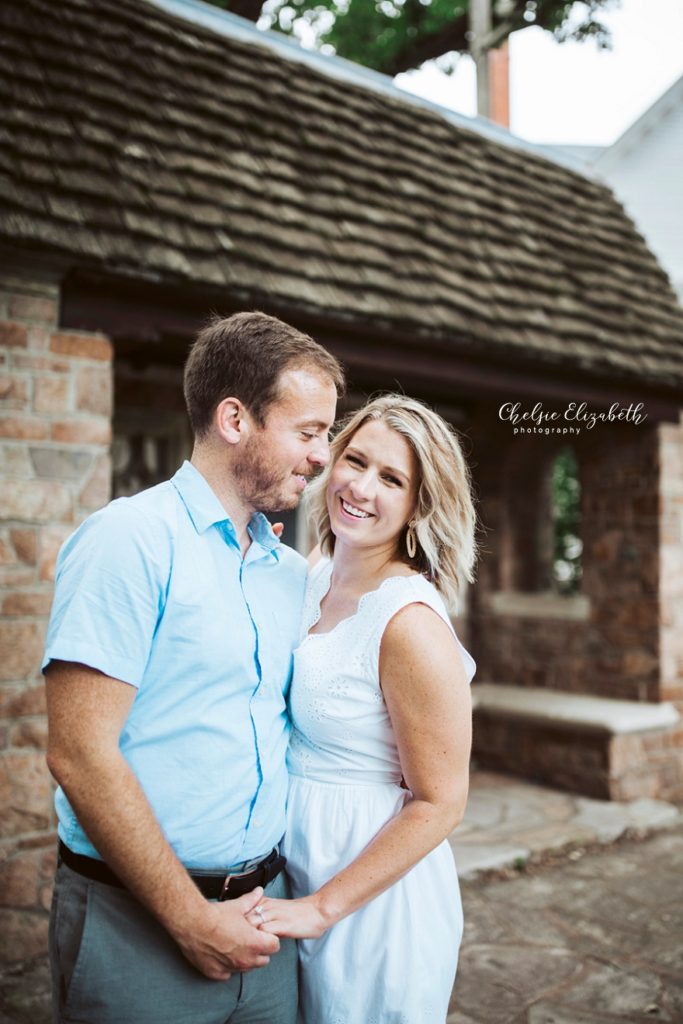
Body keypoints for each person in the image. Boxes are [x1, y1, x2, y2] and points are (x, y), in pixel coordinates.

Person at [43, 311, 343, 1024]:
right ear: (234, 419)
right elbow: (79, 753)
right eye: (307, 432)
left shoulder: (284, 573)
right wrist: (188, 918)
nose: (322, 455)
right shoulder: (128, 540)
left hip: (265, 926)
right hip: (139, 926)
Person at [250, 394, 477, 1023]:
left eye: (392, 478)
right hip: (294, 864)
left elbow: (441, 801)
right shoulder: (315, 575)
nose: (360, 487)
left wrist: (322, 906)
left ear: (417, 506)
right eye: (356, 461)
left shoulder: (408, 622)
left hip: (371, 897)